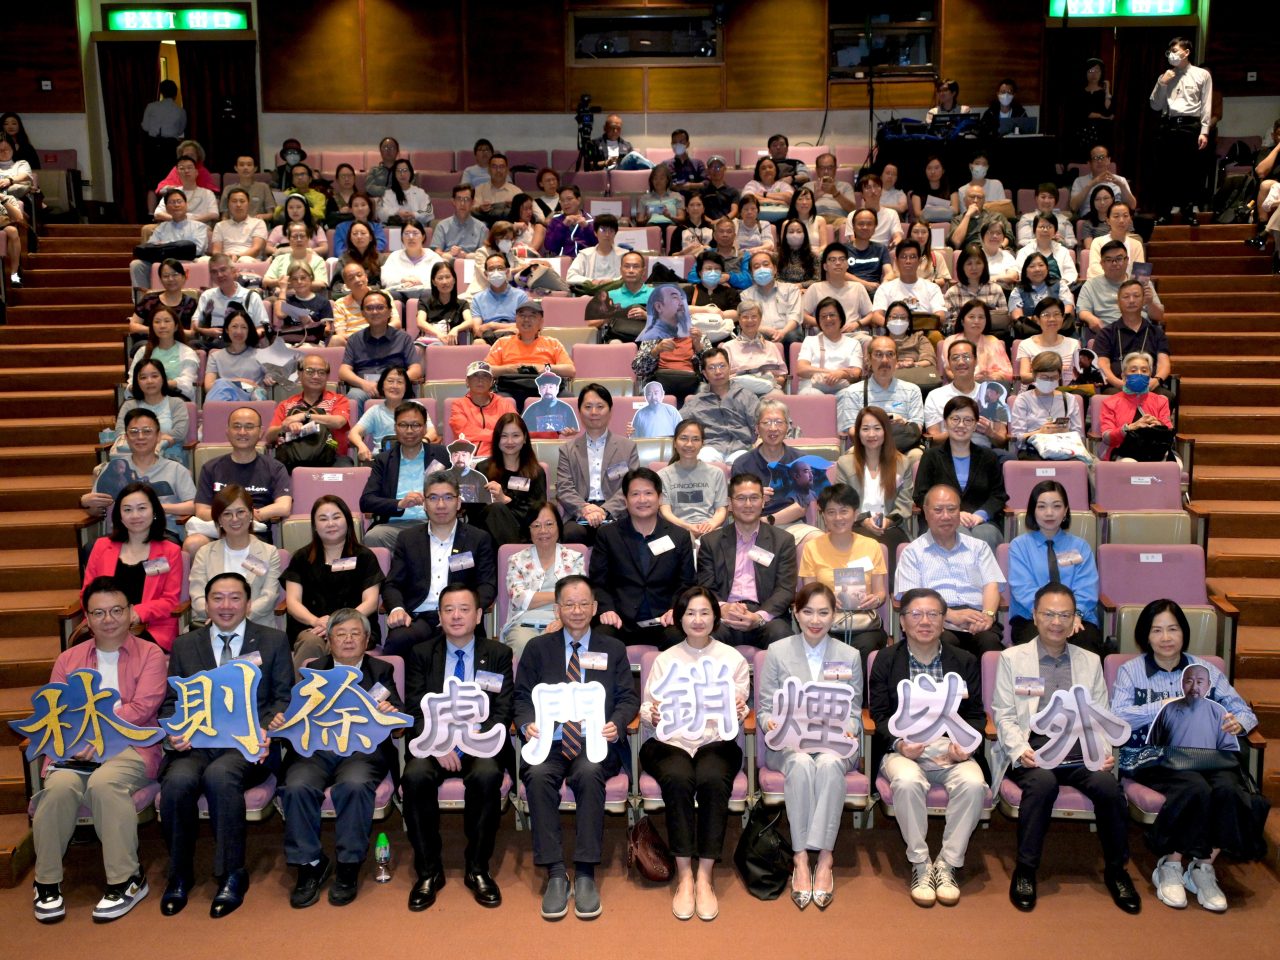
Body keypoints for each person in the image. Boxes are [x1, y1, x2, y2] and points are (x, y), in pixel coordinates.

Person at [991, 582, 1142, 914]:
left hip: (1079, 749)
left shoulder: (1090, 661)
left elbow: (1100, 714)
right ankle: (1026, 869)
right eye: (1048, 614)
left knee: (1108, 787)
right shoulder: (1012, 658)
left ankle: (1117, 870)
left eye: (1064, 615)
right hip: (1033, 748)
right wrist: (1019, 750)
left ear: (1075, 619)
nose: (1056, 622)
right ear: (1034, 616)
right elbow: (1004, 713)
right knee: (1042, 784)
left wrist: (1104, 752)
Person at [1112, 599, 1269, 911]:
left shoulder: (1206, 670)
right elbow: (1117, 717)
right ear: (1145, 636)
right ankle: (1170, 865)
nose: (1166, 637)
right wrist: (1163, 705)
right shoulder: (1131, 670)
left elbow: (1242, 710)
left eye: (1173, 629)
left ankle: (1202, 867)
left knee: (1229, 789)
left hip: (1206, 755)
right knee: (1194, 787)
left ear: (1184, 633)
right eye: (1157, 630)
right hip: (1153, 756)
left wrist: (1239, 723)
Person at [29, 576, 167, 924]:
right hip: (76, 749)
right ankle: (46, 882)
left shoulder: (151, 654)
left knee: (106, 784)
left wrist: (97, 737)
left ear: (131, 612)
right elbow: (58, 710)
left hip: (132, 746)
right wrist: (80, 742)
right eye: (99, 613)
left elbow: (143, 708)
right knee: (58, 789)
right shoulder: (68, 659)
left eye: (117, 610)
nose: (109, 619)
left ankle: (127, 880)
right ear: (87, 619)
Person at [157, 572, 293, 918]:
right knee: (177, 781)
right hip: (197, 743)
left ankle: (231, 873)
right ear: (205, 604)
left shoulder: (273, 640)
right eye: (217, 598)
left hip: (247, 747)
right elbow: (171, 703)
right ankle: (179, 874)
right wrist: (174, 731)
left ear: (248, 603)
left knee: (220, 776)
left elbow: (283, 698)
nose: (226, 605)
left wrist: (266, 728)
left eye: (235, 597)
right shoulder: (185, 645)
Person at [514, 574, 638, 920]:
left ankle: (584, 871)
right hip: (549, 741)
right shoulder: (537, 648)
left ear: (595, 608)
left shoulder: (613, 648)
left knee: (589, 772)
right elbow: (521, 697)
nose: (577, 610)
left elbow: (628, 698)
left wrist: (617, 722)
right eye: (569, 604)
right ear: (557, 609)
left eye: (584, 603)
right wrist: (526, 724)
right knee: (538, 776)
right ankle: (555, 871)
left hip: (594, 741)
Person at [272, 605, 402, 908]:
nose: (348, 640)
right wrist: (282, 721)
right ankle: (310, 865)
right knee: (297, 786)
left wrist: (390, 712)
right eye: (340, 634)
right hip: (315, 751)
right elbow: (295, 713)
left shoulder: (380, 671)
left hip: (362, 751)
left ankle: (348, 866)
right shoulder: (313, 669)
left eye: (355, 633)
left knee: (354, 786)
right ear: (328, 640)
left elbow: (397, 723)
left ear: (367, 639)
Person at [869, 586, 989, 907]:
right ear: (902, 621)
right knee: (907, 781)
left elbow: (976, 715)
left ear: (944, 620)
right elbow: (879, 715)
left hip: (951, 749)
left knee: (974, 784)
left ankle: (947, 863)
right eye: (916, 614)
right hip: (903, 749)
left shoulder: (964, 660)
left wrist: (964, 746)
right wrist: (899, 744)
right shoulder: (885, 659)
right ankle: (921, 863)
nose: (925, 621)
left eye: (933, 614)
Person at [401, 583, 514, 911]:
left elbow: (502, 709)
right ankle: (429, 871)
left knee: (487, 775)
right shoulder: (422, 654)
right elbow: (414, 710)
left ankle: (477, 868)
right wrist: (437, 743)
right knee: (415, 776)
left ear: (479, 615)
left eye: (464, 609)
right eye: (448, 609)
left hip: (480, 744)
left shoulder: (498, 654)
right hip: (435, 745)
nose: (456, 616)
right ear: (439, 616)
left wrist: (475, 740)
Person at [639, 586, 749, 921]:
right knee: (678, 778)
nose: (697, 620)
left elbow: (738, 707)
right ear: (679, 618)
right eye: (690, 613)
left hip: (715, 741)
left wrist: (739, 711)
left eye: (704, 613)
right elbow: (647, 707)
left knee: (713, 779)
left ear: (716, 617)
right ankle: (685, 875)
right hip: (670, 742)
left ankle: (705, 875)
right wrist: (650, 715)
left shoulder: (732, 659)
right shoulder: (665, 659)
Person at [756, 582, 860, 909]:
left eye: (823, 612)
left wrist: (850, 731)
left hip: (833, 742)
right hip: (789, 745)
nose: (816, 620)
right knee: (801, 763)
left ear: (834, 615)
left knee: (829, 764)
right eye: (808, 612)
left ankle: (825, 857)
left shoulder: (850, 655)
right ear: (796, 614)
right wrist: (770, 724)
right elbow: (765, 708)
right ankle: (801, 857)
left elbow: (854, 711)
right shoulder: (777, 651)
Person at [378, 468, 497, 657]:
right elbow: (393, 584)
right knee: (398, 639)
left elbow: (487, 585)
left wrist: (465, 611)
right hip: (419, 618)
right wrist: (398, 609)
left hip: (460, 618)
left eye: (448, 497)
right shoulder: (408, 539)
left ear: (459, 502)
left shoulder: (478, 538)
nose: (441, 505)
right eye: (433, 498)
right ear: (424, 504)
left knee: (457, 638)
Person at [589, 467, 696, 651]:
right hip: (620, 620)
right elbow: (598, 580)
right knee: (600, 637)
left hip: (664, 620)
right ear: (625, 500)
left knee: (680, 637)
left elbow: (686, 582)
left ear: (660, 498)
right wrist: (607, 609)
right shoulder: (608, 534)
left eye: (648, 493)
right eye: (635, 494)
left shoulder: (679, 536)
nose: (642, 500)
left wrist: (675, 609)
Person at [896, 485, 1005, 657]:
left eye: (952, 509)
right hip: (934, 619)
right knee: (944, 645)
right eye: (938, 510)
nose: (946, 516)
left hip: (978, 617)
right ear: (926, 512)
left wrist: (988, 615)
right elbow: (912, 598)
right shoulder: (912, 552)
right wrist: (951, 615)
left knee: (989, 643)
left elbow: (991, 585)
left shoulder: (979, 547)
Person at [693, 469, 795, 647]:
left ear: (763, 501)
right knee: (705, 636)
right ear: (730, 503)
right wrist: (723, 608)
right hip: (724, 615)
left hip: (765, 616)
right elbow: (705, 586)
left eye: (754, 498)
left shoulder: (782, 540)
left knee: (781, 636)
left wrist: (759, 617)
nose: (748, 504)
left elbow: (785, 588)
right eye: (741, 498)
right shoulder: (711, 541)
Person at [282, 495, 383, 669]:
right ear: (314, 525)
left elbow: (371, 602)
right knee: (312, 642)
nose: (330, 524)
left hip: (353, 628)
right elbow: (292, 602)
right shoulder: (301, 558)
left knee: (344, 640)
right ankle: (303, 688)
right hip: (312, 628)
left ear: (348, 521)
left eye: (336, 517)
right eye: (323, 519)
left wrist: (338, 624)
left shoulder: (365, 557)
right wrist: (316, 621)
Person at [81, 478, 184, 646]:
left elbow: (170, 600)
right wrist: (105, 615)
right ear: (120, 516)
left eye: (142, 508)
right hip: (104, 624)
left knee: (127, 648)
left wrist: (136, 613)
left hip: (150, 626)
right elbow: (87, 593)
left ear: (154, 512)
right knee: (85, 648)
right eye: (127, 510)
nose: (135, 515)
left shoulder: (170, 551)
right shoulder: (101, 547)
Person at [798, 484, 890, 665]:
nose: (838, 518)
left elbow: (881, 593)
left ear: (856, 514)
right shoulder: (812, 548)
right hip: (825, 622)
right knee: (830, 647)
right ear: (823, 516)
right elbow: (808, 593)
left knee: (865, 646)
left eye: (844, 511)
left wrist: (876, 600)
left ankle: (858, 686)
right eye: (831, 512)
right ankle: (831, 685)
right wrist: (826, 599)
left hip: (864, 623)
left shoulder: (871, 546)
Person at [1006, 480, 1102, 653]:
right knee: (1036, 649)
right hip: (1032, 618)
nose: (1049, 513)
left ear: (1065, 510)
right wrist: (1048, 616)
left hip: (1076, 618)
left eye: (1056, 506)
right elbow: (1022, 588)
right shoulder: (1019, 546)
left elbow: (1086, 587)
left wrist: (1072, 615)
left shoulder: (1080, 547)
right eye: (1042, 507)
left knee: (1086, 645)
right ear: (1033, 511)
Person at [184, 408, 292, 554]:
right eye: (237, 426)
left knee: (248, 543)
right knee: (193, 544)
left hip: (253, 531)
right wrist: (231, 517)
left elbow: (284, 506)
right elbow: (201, 511)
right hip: (218, 530)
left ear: (260, 432)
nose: (242, 432)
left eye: (249, 426)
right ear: (227, 430)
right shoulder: (211, 468)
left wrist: (247, 515)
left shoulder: (274, 468)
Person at [81, 409, 195, 538]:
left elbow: (194, 505)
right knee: (91, 547)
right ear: (126, 438)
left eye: (147, 431)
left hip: (162, 533)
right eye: (134, 432)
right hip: (121, 534)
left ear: (159, 436)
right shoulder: (113, 468)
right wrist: (85, 503)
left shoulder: (176, 469)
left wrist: (157, 507)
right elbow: (95, 511)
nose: (140, 437)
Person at [554, 383, 639, 545]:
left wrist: (605, 510)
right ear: (579, 411)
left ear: (610, 411)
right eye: (588, 407)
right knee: (571, 534)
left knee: (611, 533)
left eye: (600, 406)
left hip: (615, 514)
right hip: (579, 514)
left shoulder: (628, 447)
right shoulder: (567, 449)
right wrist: (584, 509)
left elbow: (631, 487)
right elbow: (564, 488)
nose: (594, 412)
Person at [189, 485, 282, 627]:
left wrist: (238, 618)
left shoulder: (269, 553)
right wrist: (220, 617)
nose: (234, 519)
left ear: (251, 514)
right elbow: (198, 597)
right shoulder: (204, 553)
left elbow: (268, 597)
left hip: (256, 625)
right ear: (219, 519)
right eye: (227, 514)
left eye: (241, 512)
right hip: (212, 625)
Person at [501, 502, 586, 657]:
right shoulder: (516, 560)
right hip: (523, 624)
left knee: (557, 648)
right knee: (523, 647)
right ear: (529, 529)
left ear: (559, 526)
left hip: (564, 623)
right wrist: (562, 596)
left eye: (549, 524)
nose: (543, 531)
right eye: (536, 525)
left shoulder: (574, 558)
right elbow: (518, 599)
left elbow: (578, 598)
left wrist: (562, 621)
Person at [360, 401, 450, 546]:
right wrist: (399, 503)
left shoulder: (442, 454)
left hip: (435, 523)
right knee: (374, 537)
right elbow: (366, 501)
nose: (409, 431)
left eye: (415, 425)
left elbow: (460, 491)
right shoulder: (384, 460)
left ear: (424, 428)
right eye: (403, 425)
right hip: (395, 527)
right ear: (395, 428)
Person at [835, 405, 913, 567]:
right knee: (864, 544)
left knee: (889, 543)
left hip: (891, 528)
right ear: (858, 433)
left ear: (886, 431)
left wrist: (888, 521)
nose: (871, 434)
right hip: (856, 525)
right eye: (865, 429)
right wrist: (864, 521)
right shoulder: (845, 463)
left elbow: (904, 504)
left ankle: (889, 584)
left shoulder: (902, 464)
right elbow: (842, 502)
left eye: (877, 428)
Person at [735, 399, 822, 544]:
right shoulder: (742, 464)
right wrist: (755, 498)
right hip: (752, 526)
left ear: (787, 428)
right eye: (767, 422)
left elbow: (801, 508)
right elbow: (736, 506)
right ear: (757, 428)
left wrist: (768, 520)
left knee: (818, 540)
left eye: (779, 422)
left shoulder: (801, 460)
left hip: (793, 526)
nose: (773, 428)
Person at [1150, 37, 1213, 224]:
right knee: (1165, 173)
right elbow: (1155, 105)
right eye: (1169, 52)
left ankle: (1188, 213)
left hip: (1190, 125)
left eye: (1175, 51)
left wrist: (1204, 131)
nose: (1172, 55)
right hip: (1168, 124)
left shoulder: (1202, 75)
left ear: (1187, 52)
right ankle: (1163, 213)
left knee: (1190, 173)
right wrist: (1162, 84)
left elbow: (1206, 104)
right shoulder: (1165, 76)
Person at [338, 291, 422, 419]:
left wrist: (391, 383)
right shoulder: (355, 339)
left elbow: (416, 370)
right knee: (353, 397)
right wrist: (364, 384)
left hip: (395, 386)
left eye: (380, 307)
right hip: (364, 388)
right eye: (369, 308)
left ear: (389, 311)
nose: (375, 312)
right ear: (363, 312)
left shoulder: (403, 338)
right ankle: (357, 432)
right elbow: (343, 371)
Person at [835, 336, 925, 451]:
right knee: (849, 458)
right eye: (878, 354)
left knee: (917, 455)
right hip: (867, 448)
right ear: (868, 359)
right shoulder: (854, 391)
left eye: (890, 354)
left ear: (897, 358)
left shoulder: (912, 390)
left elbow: (917, 428)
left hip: (902, 446)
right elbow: (853, 432)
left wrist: (904, 422)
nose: (884, 360)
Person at [471, 412, 548, 545]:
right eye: (504, 436)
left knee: (499, 507)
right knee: (496, 509)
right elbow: (473, 514)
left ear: (525, 438)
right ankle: (515, 554)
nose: (510, 441)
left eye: (516, 435)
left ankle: (513, 552)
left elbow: (539, 513)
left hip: (524, 531)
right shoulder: (483, 469)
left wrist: (506, 500)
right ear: (497, 439)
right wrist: (486, 502)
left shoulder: (536, 472)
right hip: (490, 534)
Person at [483, 300, 575, 409]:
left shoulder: (553, 343)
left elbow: (570, 370)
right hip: (511, 389)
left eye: (532, 316)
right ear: (516, 320)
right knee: (500, 400)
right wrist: (509, 368)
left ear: (541, 322)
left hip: (545, 389)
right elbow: (485, 370)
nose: (526, 319)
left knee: (568, 398)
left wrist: (545, 368)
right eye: (522, 316)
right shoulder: (502, 343)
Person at [924, 339, 1010, 452]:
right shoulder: (935, 395)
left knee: (1008, 457)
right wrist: (959, 429)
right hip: (949, 452)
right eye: (955, 358)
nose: (961, 362)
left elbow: (1002, 441)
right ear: (949, 363)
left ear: (976, 361)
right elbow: (933, 440)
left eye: (967, 357)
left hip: (984, 452)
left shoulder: (993, 393)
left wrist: (989, 432)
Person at [265, 353, 353, 462]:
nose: (316, 376)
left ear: (327, 377)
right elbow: (269, 437)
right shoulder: (286, 404)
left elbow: (339, 422)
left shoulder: (338, 400)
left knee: (344, 463)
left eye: (321, 372)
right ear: (299, 374)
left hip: (331, 456)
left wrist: (305, 416)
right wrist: (286, 427)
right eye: (310, 371)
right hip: (292, 458)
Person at [680, 349, 762, 464]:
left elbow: (762, 422)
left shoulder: (747, 397)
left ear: (729, 368)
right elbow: (676, 424)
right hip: (709, 448)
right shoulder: (695, 402)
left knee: (745, 462)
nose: (718, 372)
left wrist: (761, 439)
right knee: (703, 459)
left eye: (722, 366)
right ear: (705, 374)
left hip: (740, 448)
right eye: (712, 368)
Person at [1092, 279, 1172, 393]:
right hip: (1117, 387)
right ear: (1118, 302)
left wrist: (1156, 380)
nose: (1131, 300)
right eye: (1126, 297)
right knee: (1112, 395)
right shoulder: (1106, 333)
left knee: (1165, 396)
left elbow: (1163, 363)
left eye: (1136, 296)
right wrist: (1119, 383)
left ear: (1144, 300)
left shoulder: (1157, 333)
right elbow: (1102, 364)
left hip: (1150, 386)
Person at [128, 189, 208, 295]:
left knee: (206, 261)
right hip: (164, 262)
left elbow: (197, 249)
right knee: (137, 264)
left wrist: (166, 246)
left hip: (190, 261)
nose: (176, 205)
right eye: (172, 202)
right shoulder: (161, 228)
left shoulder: (199, 227)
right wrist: (177, 247)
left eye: (179, 201)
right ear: (166, 208)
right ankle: (143, 300)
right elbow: (151, 248)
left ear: (186, 205)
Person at [1098, 352, 1174, 460]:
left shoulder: (1161, 401)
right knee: (1128, 463)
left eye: (1144, 371)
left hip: (1155, 453)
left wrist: (1159, 425)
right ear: (1124, 377)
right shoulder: (1110, 402)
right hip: (1123, 453)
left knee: (1175, 465)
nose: (1139, 374)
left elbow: (1170, 436)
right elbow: (1107, 438)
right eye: (1133, 370)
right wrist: (1128, 428)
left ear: (1150, 377)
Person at [1077, 241, 1165, 334]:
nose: (1114, 263)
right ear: (1102, 264)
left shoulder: (1141, 282)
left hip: (1140, 334)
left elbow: (1158, 316)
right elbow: (1082, 310)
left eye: (1119, 259)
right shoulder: (1091, 285)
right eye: (1109, 260)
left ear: (1127, 260)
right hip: (1108, 334)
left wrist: (1150, 302)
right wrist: (1090, 318)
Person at [351, 367, 436, 461]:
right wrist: (361, 446)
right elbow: (353, 433)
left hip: (414, 457)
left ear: (406, 387)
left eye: (400, 382)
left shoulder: (416, 407)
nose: (395, 386)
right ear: (382, 386)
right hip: (384, 460)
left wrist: (418, 444)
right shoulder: (375, 411)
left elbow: (432, 432)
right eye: (390, 381)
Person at [113, 357, 190, 462]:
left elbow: (179, 433)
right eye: (143, 377)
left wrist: (138, 435)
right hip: (133, 459)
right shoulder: (129, 405)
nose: (149, 381)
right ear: (137, 382)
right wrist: (158, 436)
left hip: (169, 458)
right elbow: (120, 434)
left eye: (154, 376)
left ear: (163, 379)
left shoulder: (176, 403)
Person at [656, 419, 727, 533]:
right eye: (683, 438)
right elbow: (666, 512)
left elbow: (721, 510)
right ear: (674, 443)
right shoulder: (662, 475)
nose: (689, 444)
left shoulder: (716, 473)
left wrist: (710, 526)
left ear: (702, 444)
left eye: (695, 439)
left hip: (709, 530)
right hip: (677, 530)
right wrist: (688, 527)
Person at [1010, 351, 1085, 458]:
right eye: (1044, 377)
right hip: (1033, 450)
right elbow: (1017, 437)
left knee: (1077, 465)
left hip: (1064, 448)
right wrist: (1040, 432)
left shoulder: (1069, 399)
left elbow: (1078, 435)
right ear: (1034, 375)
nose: (1049, 381)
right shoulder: (1023, 399)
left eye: (1053, 378)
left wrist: (1065, 432)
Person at [193, 255, 271, 348]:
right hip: (214, 342)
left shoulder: (252, 297)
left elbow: (261, 329)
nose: (219, 275)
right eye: (214, 272)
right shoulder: (207, 296)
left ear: (234, 271)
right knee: (193, 344)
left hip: (242, 343)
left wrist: (243, 336)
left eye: (223, 270)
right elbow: (196, 323)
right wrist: (207, 331)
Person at [870, 241, 946, 327]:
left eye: (912, 257)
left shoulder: (932, 288)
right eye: (903, 257)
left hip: (925, 331)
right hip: (893, 332)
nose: (908, 261)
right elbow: (876, 316)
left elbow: (941, 317)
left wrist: (914, 327)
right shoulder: (885, 288)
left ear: (919, 261)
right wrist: (896, 328)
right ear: (896, 261)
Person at [797, 297, 863, 395]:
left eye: (832, 315)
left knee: (849, 395)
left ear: (841, 317)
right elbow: (801, 369)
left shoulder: (854, 344)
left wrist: (841, 374)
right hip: (813, 388)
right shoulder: (810, 341)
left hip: (842, 390)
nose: (828, 319)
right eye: (823, 316)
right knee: (809, 393)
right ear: (818, 321)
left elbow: (855, 374)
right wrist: (835, 373)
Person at [803, 243, 875, 331]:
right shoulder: (815, 288)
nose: (838, 263)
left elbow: (871, 315)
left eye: (842, 259)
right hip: (825, 335)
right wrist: (825, 323)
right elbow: (803, 316)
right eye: (832, 260)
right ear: (825, 266)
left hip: (853, 335)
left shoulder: (858, 287)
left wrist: (856, 324)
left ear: (847, 265)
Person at [939, 300, 1013, 384]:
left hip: (989, 388)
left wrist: (991, 378)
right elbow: (949, 372)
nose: (976, 321)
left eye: (981, 317)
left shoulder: (993, 342)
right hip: (958, 387)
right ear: (962, 321)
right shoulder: (952, 341)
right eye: (971, 317)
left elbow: (1006, 374)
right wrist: (972, 380)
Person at [203, 309, 269, 402]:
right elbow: (208, 387)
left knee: (221, 386)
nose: (239, 331)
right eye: (234, 326)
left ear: (249, 331)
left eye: (244, 327)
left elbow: (274, 375)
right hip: (223, 397)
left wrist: (270, 378)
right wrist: (242, 381)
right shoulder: (215, 356)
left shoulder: (260, 355)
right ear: (226, 329)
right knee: (221, 385)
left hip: (251, 401)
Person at [724, 299, 787, 395]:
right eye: (745, 317)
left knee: (777, 396)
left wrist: (767, 379)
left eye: (754, 316)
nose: (750, 320)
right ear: (739, 320)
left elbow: (782, 379)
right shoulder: (728, 347)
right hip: (739, 391)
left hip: (768, 391)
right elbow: (722, 380)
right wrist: (746, 374)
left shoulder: (772, 347)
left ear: (760, 318)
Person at [331, 263, 402, 345]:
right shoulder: (340, 304)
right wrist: (364, 336)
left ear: (366, 277)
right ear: (346, 284)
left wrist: (375, 332)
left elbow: (396, 323)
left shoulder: (383, 295)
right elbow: (341, 335)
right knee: (335, 340)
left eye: (359, 275)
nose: (357, 280)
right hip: (355, 343)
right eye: (351, 278)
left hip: (382, 338)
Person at [1008, 254, 1076, 339]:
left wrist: (1046, 320)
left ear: (1047, 268)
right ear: (1025, 272)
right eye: (1032, 266)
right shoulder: (1018, 291)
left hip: (1060, 333)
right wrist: (1043, 320)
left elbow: (1068, 309)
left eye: (1041, 265)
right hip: (1030, 336)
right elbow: (1018, 317)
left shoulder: (1060, 285)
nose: (1037, 269)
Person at [467, 252, 530, 341]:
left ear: (507, 272)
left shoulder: (520, 295)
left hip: (514, 339)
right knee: (478, 343)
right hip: (488, 340)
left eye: (500, 268)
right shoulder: (478, 298)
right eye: (491, 269)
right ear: (486, 274)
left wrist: (492, 325)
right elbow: (477, 330)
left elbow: (524, 325)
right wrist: (506, 329)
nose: (496, 272)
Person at [943, 243, 1007, 331]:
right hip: (962, 336)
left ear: (984, 265)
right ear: (962, 266)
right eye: (969, 264)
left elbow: (1004, 321)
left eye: (978, 263)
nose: (974, 268)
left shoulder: (996, 289)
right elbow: (947, 325)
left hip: (990, 335)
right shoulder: (952, 293)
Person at [127, 258, 196, 338]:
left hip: (181, 343)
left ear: (184, 277)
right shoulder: (150, 299)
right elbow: (133, 325)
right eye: (166, 276)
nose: (171, 279)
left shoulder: (192, 303)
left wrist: (169, 331)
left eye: (175, 274)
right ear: (160, 279)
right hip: (153, 342)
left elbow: (193, 333)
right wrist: (155, 331)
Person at [1014, 302, 1079, 387]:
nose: (1052, 319)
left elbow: (1078, 374)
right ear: (1037, 319)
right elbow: (1024, 377)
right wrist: (1051, 375)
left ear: (1062, 318)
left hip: (1065, 392)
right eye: (1046, 315)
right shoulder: (1026, 344)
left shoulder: (1074, 344)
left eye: (1056, 314)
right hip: (1034, 392)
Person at [380, 220, 442, 305]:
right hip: (400, 292)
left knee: (429, 295)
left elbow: (440, 279)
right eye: (407, 233)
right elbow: (385, 278)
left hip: (425, 292)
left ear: (423, 237)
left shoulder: (434, 257)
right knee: (387, 296)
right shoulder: (394, 256)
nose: (411, 237)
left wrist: (420, 282)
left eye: (415, 233)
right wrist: (403, 280)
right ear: (402, 237)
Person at [877, 303, 938, 387]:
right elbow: (871, 365)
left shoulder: (919, 338)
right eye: (894, 317)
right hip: (885, 382)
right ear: (887, 319)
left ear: (909, 321)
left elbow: (929, 360)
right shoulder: (878, 342)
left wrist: (914, 364)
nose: (898, 320)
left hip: (916, 380)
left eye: (903, 317)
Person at [1069, 145, 1136, 218]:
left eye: (1102, 157)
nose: (1099, 161)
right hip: (1090, 220)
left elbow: (1132, 205)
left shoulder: (1120, 180)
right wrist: (1091, 184)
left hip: (1116, 219)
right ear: (1090, 163)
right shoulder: (1080, 181)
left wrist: (1121, 185)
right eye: (1095, 158)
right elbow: (1073, 207)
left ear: (1109, 160)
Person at [1083, 202, 1144, 280]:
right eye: (1116, 216)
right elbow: (1094, 269)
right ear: (1108, 220)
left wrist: (1125, 282)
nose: (1121, 220)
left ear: (1130, 219)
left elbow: (1140, 273)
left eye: (1125, 216)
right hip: (1104, 285)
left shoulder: (1136, 244)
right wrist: (1118, 280)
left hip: (1129, 286)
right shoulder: (1098, 242)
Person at [141, 79, 186, 185]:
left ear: (161, 92)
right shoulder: (180, 111)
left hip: (153, 146)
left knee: (152, 182)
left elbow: (145, 127)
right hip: (170, 147)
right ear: (175, 93)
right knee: (170, 180)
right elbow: (180, 130)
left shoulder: (151, 107)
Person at [841, 209, 894, 296]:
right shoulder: (843, 249)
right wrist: (865, 284)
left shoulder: (881, 248)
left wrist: (885, 284)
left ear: (875, 227)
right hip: (849, 290)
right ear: (853, 227)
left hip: (875, 292)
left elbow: (889, 272)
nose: (865, 227)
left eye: (869, 224)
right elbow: (840, 272)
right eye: (861, 224)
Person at [276, 263, 333, 344]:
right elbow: (280, 314)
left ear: (311, 278)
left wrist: (312, 324)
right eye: (294, 279)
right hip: (290, 341)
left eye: (303, 278)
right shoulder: (287, 300)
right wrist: (283, 289)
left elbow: (326, 332)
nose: (299, 282)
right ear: (290, 282)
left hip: (313, 343)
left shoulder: (323, 302)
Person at [151, 156, 217, 226]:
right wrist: (176, 220)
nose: (186, 171)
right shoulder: (173, 192)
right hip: (174, 226)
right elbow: (157, 213)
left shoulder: (207, 193)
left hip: (198, 226)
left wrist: (189, 222)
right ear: (177, 174)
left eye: (189, 167)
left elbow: (214, 214)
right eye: (182, 168)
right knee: (148, 228)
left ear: (196, 172)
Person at [430, 184, 488, 262]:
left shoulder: (481, 227)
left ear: (473, 202)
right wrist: (449, 253)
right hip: (448, 265)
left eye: (467, 199)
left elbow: (483, 254)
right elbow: (436, 253)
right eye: (459, 199)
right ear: (453, 201)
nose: (462, 203)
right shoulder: (442, 226)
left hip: (471, 264)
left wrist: (467, 256)